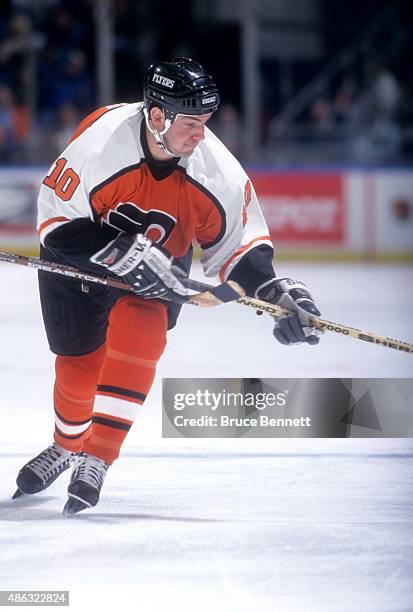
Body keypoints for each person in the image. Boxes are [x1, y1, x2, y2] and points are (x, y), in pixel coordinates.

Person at [13, 57, 322, 515]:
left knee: (141, 338)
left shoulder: (218, 171)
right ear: (157, 116)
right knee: (77, 370)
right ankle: (67, 443)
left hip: (156, 273)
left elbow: (239, 250)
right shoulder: (99, 144)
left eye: (206, 121)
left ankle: (97, 455)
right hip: (78, 265)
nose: (202, 133)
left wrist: (277, 294)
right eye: (192, 122)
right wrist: (120, 254)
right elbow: (56, 223)